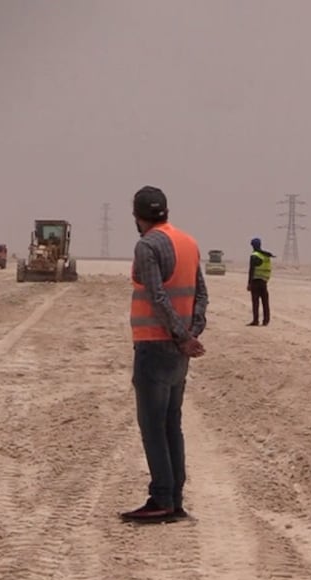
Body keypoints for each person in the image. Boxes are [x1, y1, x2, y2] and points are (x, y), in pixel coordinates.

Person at [121, 186, 209, 524]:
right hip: (177, 351)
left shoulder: (147, 246)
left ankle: (161, 498)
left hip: (156, 345)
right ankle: (174, 499)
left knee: (153, 425)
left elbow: (157, 297)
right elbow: (201, 293)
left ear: (137, 216)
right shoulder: (188, 242)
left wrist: (181, 335)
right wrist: (192, 333)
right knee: (172, 423)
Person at [247, 236, 274, 326]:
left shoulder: (254, 255)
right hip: (264, 281)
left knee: (255, 302)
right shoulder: (266, 256)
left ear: (253, 246)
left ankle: (256, 320)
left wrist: (249, 283)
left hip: (256, 281)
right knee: (265, 302)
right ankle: (266, 320)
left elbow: (252, 270)